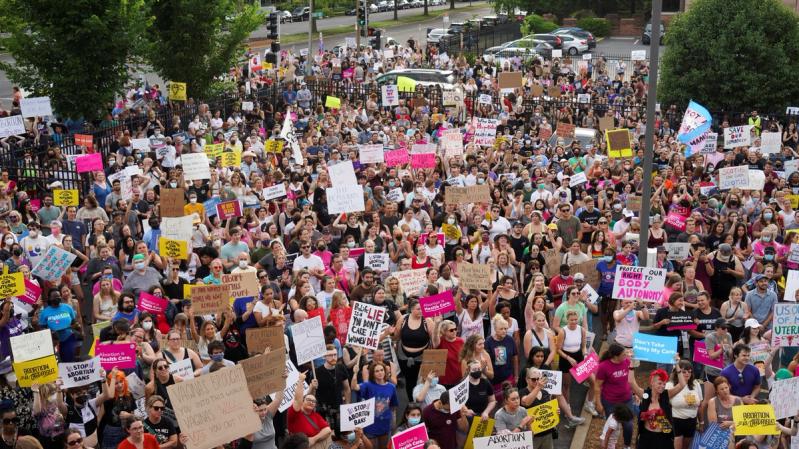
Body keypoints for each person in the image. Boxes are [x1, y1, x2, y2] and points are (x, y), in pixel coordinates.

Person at [595, 343, 643, 449]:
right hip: (610, 402)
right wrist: (598, 403)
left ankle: (627, 446)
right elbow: (597, 386)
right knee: (612, 426)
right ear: (615, 356)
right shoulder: (603, 367)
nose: (626, 356)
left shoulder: (627, 362)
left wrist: (635, 393)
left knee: (629, 425)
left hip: (626, 399)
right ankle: (609, 445)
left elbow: (630, 380)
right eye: (624, 354)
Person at [350, 359, 398, 449]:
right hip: (370, 426)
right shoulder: (368, 385)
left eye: (381, 370)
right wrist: (355, 373)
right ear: (373, 373)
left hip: (385, 425)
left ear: (385, 371)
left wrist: (393, 422)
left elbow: (393, 407)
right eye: (377, 371)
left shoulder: (392, 387)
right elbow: (354, 387)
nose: (380, 373)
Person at [666, 360, 702, 449]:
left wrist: (701, 422)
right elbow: (665, 403)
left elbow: (700, 404)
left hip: (692, 420)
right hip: (676, 420)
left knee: (686, 446)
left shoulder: (695, 384)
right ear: (677, 372)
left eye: (689, 372)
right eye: (684, 372)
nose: (687, 374)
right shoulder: (670, 385)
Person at [636, 369, 674, 449]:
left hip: (663, 438)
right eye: (660, 383)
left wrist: (677, 365)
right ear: (652, 382)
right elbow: (631, 382)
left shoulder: (665, 395)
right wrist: (631, 364)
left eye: (664, 384)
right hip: (646, 438)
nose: (662, 386)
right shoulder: (645, 395)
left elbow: (682, 385)